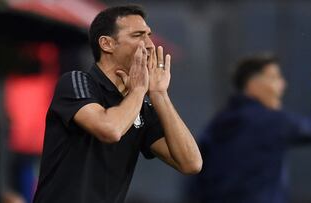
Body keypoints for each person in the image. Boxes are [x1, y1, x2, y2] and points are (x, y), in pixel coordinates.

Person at [33, 5, 202, 203]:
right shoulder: (76, 81)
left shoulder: (139, 106)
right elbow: (109, 130)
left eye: (149, 35)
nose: (149, 44)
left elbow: (191, 164)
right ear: (107, 44)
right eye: (138, 35)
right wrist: (139, 90)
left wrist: (159, 94)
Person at [190, 54, 311, 203]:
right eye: (275, 78)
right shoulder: (271, 121)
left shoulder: (216, 124)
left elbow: (194, 180)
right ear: (252, 83)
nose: (283, 85)